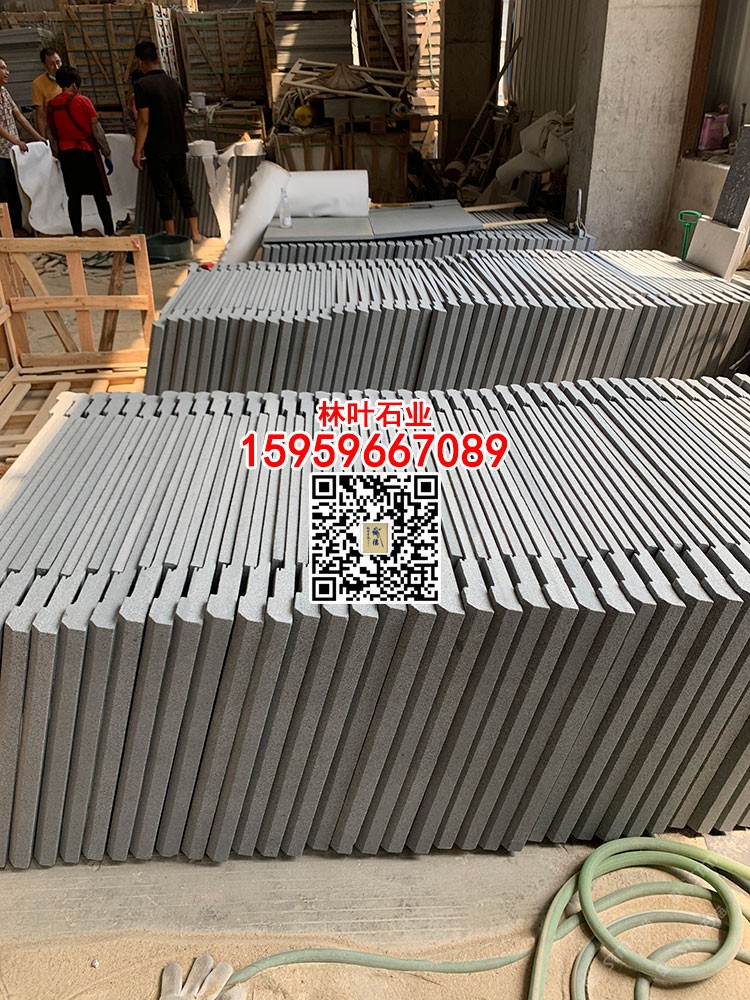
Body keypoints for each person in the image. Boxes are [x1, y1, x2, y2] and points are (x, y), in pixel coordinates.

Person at [132, 39, 201, 241]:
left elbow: (144, 120)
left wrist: (137, 150)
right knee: (183, 188)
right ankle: (195, 233)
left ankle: (171, 235)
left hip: (157, 147)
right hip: (178, 144)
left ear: (140, 62)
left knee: (164, 192)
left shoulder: (142, 86)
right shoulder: (175, 84)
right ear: (157, 58)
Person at [46, 65, 114, 237]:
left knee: (73, 197)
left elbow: (52, 134)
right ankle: (110, 234)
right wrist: (107, 153)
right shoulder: (83, 101)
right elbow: (97, 131)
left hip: (67, 155)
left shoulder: (51, 106)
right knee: (100, 195)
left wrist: (57, 154)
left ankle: (77, 235)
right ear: (74, 84)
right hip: (87, 152)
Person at [0, 57, 46, 233]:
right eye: (2, 68)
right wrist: (16, 141)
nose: (6, 72)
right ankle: (7, 229)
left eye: (6, 67)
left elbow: (18, 116)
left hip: (11, 152)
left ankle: (18, 226)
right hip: (1, 152)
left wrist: (37, 136)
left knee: (15, 190)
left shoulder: (4, 92)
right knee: (3, 192)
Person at [32, 47, 62, 137]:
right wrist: (43, 137)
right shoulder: (38, 84)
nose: (57, 67)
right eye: (52, 64)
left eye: (58, 62)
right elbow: (40, 115)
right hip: (53, 128)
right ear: (45, 65)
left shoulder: (70, 77)